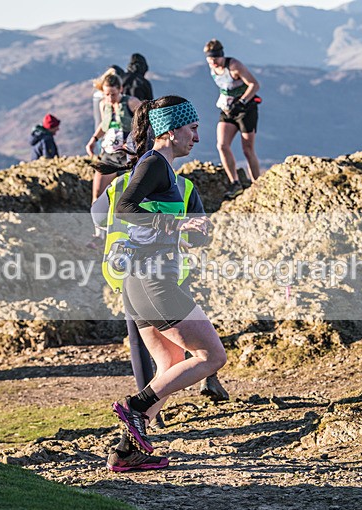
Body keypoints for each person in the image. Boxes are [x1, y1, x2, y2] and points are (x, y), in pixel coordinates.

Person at [105, 95, 227, 472]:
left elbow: (169, 226)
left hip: (142, 284)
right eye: (192, 129)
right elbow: (125, 207)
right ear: (171, 130)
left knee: (170, 364)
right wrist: (173, 224)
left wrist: (194, 230)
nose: (197, 138)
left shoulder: (167, 171)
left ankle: (126, 452)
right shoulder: (155, 163)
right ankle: (135, 407)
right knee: (212, 357)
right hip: (152, 282)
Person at [85, 69, 142, 248]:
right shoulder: (104, 104)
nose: (110, 98)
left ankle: (133, 232)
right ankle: (98, 234)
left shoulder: (132, 103)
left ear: (121, 89)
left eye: (113, 94)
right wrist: (93, 140)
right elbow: (104, 125)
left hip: (129, 156)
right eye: (106, 94)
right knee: (97, 194)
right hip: (108, 154)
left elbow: (146, 123)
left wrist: (136, 143)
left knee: (131, 196)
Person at [204, 39, 261, 200]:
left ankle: (257, 184)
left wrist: (242, 102)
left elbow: (254, 84)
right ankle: (234, 183)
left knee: (247, 149)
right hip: (227, 110)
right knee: (222, 145)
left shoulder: (234, 66)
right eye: (210, 60)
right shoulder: (212, 67)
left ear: (222, 56)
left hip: (245, 110)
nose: (213, 63)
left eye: (216, 59)